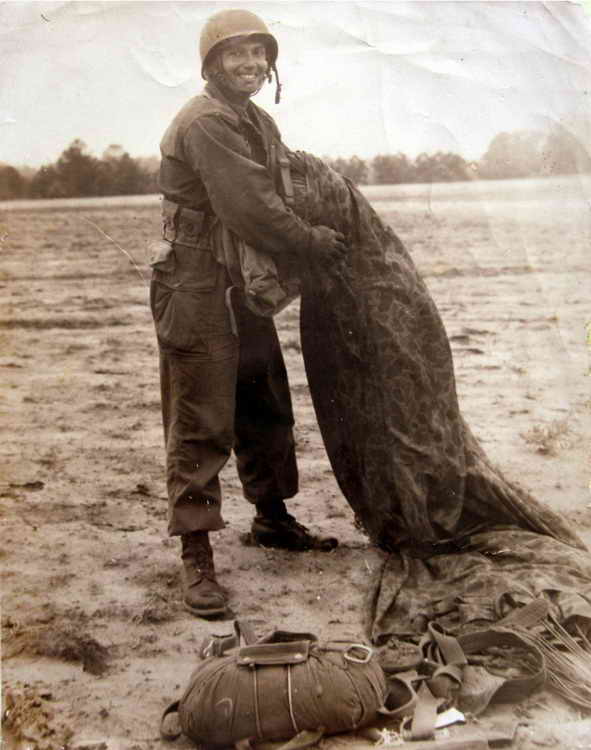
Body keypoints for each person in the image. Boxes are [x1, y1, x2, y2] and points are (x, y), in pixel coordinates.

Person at [151, 8, 346, 619]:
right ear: (211, 64)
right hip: (195, 282)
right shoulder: (207, 122)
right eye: (236, 54)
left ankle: (271, 518)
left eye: (260, 54)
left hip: (242, 279)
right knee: (200, 417)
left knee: (264, 400)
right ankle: (196, 556)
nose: (251, 64)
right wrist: (310, 240)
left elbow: (281, 185)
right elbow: (251, 207)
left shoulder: (254, 118)